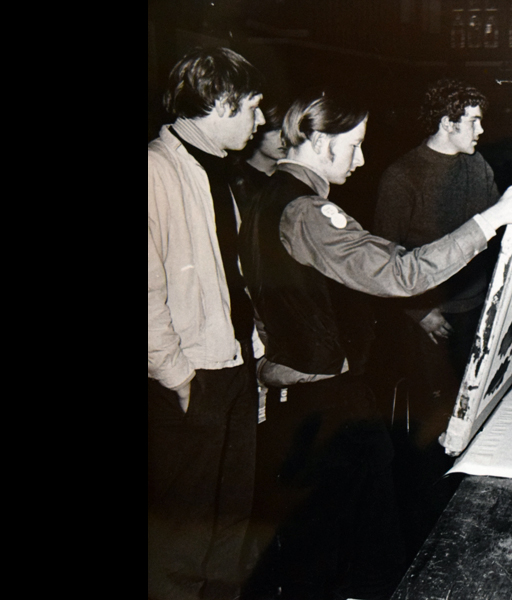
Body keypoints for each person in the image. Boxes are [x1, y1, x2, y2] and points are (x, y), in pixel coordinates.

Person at [237, 89, 512, 600]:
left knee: (320, 551)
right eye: (353, 145)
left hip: (303, 395)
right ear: (317, 140)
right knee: (360, 557)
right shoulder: (309, 213)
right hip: (329, 403)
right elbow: (402, 273)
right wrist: (491, 221)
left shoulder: (265, 195)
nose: (361, 160)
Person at [148, 46, 265, 600]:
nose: (262, 121)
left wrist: (255, 352)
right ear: (221, 102)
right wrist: (175, 376)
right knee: (180, 545)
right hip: (191, 375)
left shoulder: (219, 172)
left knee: (229, 529)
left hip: (233, 363)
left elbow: (229, 278)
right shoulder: (155, 169)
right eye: (254, 108)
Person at [372, 79, 500, 439]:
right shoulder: (402, 176)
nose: (482, 129)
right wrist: (420, 312)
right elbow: (384, 258)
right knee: (435, 419)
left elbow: (496, 228)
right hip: (429, 317)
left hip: (476, 308)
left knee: (476, 409)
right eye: (474, 121)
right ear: (447, 123)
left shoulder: (477, 166)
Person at [231, 102, 286, 221]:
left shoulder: (288, 179)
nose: (284, 138)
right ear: (257, 130)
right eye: (276, 129)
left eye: (287, 131)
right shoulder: (235, 179)